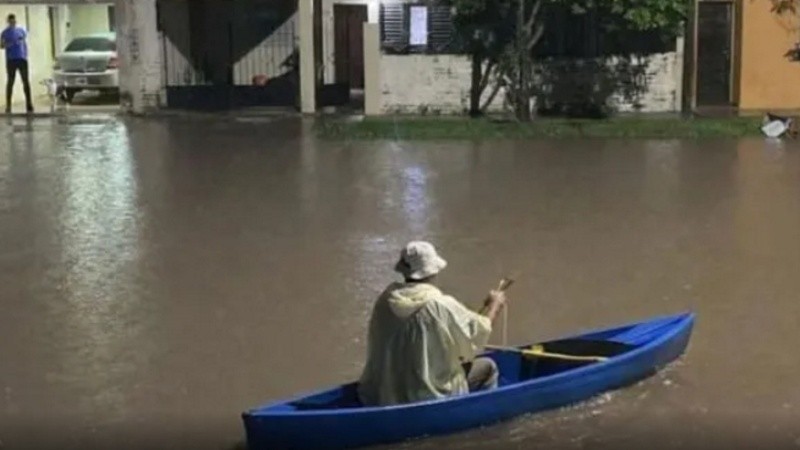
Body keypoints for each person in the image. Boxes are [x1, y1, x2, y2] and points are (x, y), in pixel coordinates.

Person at [357, 241, 507, 406]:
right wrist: (494, 306)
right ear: (433, 271)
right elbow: (478, 334)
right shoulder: (439, 305)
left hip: (385, 392)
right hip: (428, 394)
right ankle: (481, 417)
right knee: (488, 367)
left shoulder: (386, 299)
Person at [1, 13, 33, 114]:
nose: (12, 22)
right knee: (10, 82)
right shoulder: (5, 33)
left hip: (22, 59)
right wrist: (8, 44)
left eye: (13, 21)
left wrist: (25, 54)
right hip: (11, 60)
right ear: (8, 22)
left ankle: (29, 104)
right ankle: (8, 105)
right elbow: (1, 46)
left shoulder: (21, 30)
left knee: (26, 81)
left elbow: (24, 42)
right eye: (10, 21)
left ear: (15, 21)